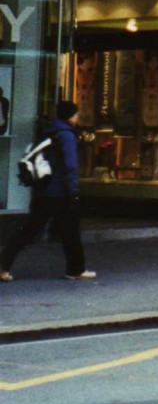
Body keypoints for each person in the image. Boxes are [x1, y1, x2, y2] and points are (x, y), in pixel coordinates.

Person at [0, 101, 96, 282]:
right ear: (69, 116)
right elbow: (70, 165)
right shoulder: (66, 134)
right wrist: (74, 190)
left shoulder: (50, 130)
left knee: (28, 230)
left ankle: (4, 265)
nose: (77, 117)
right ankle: (76, 270)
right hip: (60, 192)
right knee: (71, 232)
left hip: (43, 190)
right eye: (75, 114)